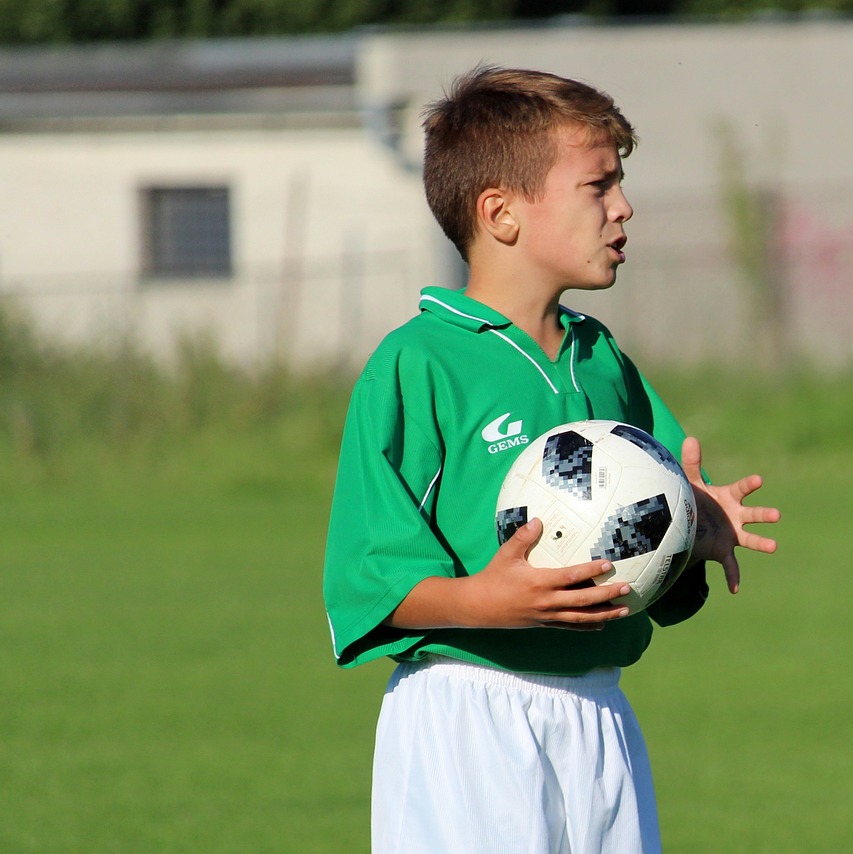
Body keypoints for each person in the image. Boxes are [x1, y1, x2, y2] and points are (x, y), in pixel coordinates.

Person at [323, 65, 780, 854]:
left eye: (621, 183)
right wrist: (487, 601)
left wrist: (695, 538)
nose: (624, 207)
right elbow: (369, 583)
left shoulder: (604, 362)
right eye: (598, 186)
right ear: (500, 213)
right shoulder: (418, 364)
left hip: (599, 713)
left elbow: (652, 565)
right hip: (468, 715)